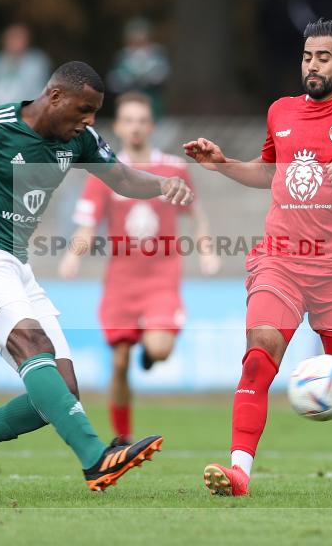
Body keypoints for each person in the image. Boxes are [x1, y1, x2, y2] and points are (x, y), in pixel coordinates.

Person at [0, 62, 193, 495]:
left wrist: (162, 185)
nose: (89, 121)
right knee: (33, 345)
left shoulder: (78, 138)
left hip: (17, 265)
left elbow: (119, 177)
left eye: (95, 113)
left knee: (60, 395)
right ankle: (96, 459)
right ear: (54, 97)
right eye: (84, 110)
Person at [184, 18, 332, 497]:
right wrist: (222, 164)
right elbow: (271, 173)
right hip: (281, 259)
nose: (312, 65)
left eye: (323, 57)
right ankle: (239, 473)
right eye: (306, 56)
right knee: (259, 356)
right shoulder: (280, 111)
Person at [58, 91, 220, 445]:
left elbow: (196, 215)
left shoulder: (173, 170)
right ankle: (122, 436)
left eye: (142, 121)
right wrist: (73, 255)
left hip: (162, 277)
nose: (135, 128)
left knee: (160, 349)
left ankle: (149, 350)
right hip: (121, 281)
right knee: (118, 361)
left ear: (152, 127)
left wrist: (207, 251)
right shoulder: (104, 174)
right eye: (128, 120)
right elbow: (87, 227)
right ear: (118, 126)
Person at [106, 18, 171, 117]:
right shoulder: (123, 57)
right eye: (135, 42)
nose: (139, 47)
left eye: (142, 42)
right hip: (128, 106)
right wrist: (128, 78)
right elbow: (113, 83)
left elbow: (162, 76)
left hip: (153, 106)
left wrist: (146, 75)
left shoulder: (157, 56)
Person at [0, 24, 52, 108]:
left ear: (26, 41)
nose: (13, 42)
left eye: (18, 38)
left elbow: (39, 90)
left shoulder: (37, 61)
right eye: (10, 39)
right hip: (0, 110)